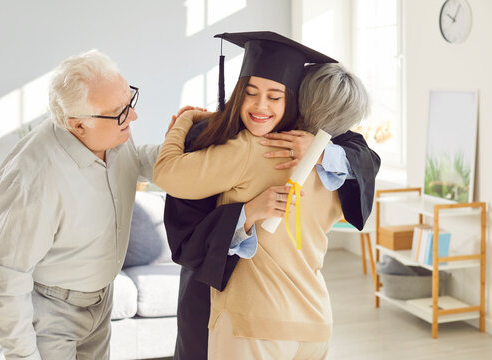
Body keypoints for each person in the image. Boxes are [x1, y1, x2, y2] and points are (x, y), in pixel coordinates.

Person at [154, 32, 377, 359]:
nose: (261, 105)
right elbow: (363, 162)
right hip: (314, 322)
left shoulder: (251, 149)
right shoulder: (339, 169)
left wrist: (186, 119)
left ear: (296, 99)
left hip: (255, 324)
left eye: (275, 96)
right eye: (252, 93)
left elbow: (166, 174)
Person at [0, 50, 163, 360]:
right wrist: (24, 356)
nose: (133, 117)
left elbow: (137, 160)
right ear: (77, 126)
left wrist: (190, 146)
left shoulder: (112, 131)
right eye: (120, 111)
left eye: (129, 101)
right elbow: (3, 278)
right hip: (51, 312)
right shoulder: (34, 180)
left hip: (102, 299)